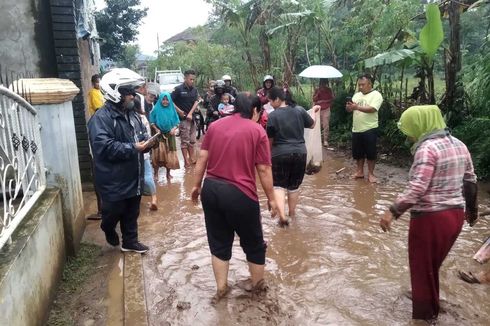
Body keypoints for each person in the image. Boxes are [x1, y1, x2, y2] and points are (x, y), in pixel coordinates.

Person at [379, 105, 478, 322]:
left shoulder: (427, 149)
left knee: (422, 273)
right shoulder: (459, 144)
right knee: (432, 267)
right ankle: (433, 306)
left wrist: (392, 211)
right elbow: (470, 179)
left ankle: (424, 318)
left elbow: (417, 188)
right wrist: (472, 211)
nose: (408, 135)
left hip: (430, 219)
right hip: (455, 218)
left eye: (408, 129)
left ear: (419, 125)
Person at [191, 93, 284, 304]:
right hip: (239, 194)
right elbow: (263, 169)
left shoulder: (214, 126)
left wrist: (196, 186)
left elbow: (202, 158)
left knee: (219, 243)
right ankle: (257, 287)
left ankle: (221, 288)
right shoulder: (257, 130)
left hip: (211, 190)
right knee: (254, 244)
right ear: (254, 111)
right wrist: (271, 198)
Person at [87, 76, 153, 254]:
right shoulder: (101, 118)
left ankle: (130, 241)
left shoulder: (133, 115)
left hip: (133, 173)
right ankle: (107, 227)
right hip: (113, 178)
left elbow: (140, 137)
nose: (133, 96)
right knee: (114, 211)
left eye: (133, 92)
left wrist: (148, 143)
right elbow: (104, 147)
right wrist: (133, 148)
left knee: (132, 210)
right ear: (115, 94)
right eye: (128, 93)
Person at [266, 86, 320, 224]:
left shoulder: (272, 116)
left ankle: (282, 216)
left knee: (278, 186)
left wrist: (267, 158)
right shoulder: (300, 110)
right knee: (293, 186)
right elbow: (312, 125)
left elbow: (269, 141)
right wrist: (313, 110)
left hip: (280, 154)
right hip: (300, 153)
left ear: (278, 99)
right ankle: (292, 214)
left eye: (271, 101)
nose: (270, 104)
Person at [346, 74, 383, 183]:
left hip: (370, 128)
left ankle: (371, 174)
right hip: (356, 128)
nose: (361, 87)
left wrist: (356, 107)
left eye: (363, 84)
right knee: (358, 153)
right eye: (359, 85)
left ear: (370, 84)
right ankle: (359, 171)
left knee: (370, 153)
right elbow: (350, 109)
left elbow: (372, 109)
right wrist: (349, 107)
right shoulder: (357, 95)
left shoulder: (376, 95)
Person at [150, 92, 181, 180]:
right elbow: (151, 121)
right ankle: (156, 174)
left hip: (170, 134)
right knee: (157, 154)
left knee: (169, 153)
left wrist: (173, 129)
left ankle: (168, 174)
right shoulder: (156, 109)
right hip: (158, 134)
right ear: (160, 100)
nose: (165, 101)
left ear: (170, 101)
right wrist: (156, 129)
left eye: (167, 100)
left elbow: (177, 122)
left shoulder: (172, 109)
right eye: (163, 99)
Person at [171, 69, 199, 168]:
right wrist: (179, 111)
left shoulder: (194, 90)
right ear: (185, 78)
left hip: (192, 119)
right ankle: (186, 162)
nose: (192, 81)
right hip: (183, 119)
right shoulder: (178, 89)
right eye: (190, 79)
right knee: (184, 141)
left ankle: (192, 158)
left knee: (192, 140)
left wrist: (191, 113)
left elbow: (196, 102)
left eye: (193, 79)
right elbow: (170, 101)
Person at [134, 97, 158, 210]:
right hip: (144, 151)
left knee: (135, 178)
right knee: (148, 175)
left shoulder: (129, 118)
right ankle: (154, 199)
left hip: (133, 153)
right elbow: (148, 135)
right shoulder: (143, 118)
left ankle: (135, 203)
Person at [313, 79, 335, 147]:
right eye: (321, 84)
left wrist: (324, 101)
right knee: (317, 125)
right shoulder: (317, 90)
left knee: (326, 125)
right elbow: (314, 99)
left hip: (326, 109)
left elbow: (333, 98)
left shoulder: (329, 90)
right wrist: (318, 93)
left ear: (326, 83)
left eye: (324, 83)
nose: (323, 85)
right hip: (318, 109)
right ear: (320, 83)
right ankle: (316, 139)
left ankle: (325, 140)